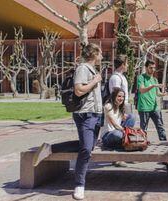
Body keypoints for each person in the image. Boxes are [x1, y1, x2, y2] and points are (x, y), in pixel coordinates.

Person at [72, 43, 103, 200]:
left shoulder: (93, 70)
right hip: (85, 114)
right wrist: (95, 81)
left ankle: (52, 148)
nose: (102, 56)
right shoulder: (83, 68)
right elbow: (78, 90)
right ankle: (79, 185)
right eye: (100, 53)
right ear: (94, 54)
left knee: (88, 147)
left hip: (96, 115)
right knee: (85, 149)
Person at [137, 59, 167, 141]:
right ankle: (142, 143)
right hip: (144, 108)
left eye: (154, 68)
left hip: (155, 107)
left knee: (160, 126)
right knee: (143, 129)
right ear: (146, 68)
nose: (153, 70)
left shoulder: (155, 79)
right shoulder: (141, 78)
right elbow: (142, 90)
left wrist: (163, 94)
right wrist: (153, 86)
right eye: (151, 68)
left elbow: (157, 93)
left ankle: (164, 142)